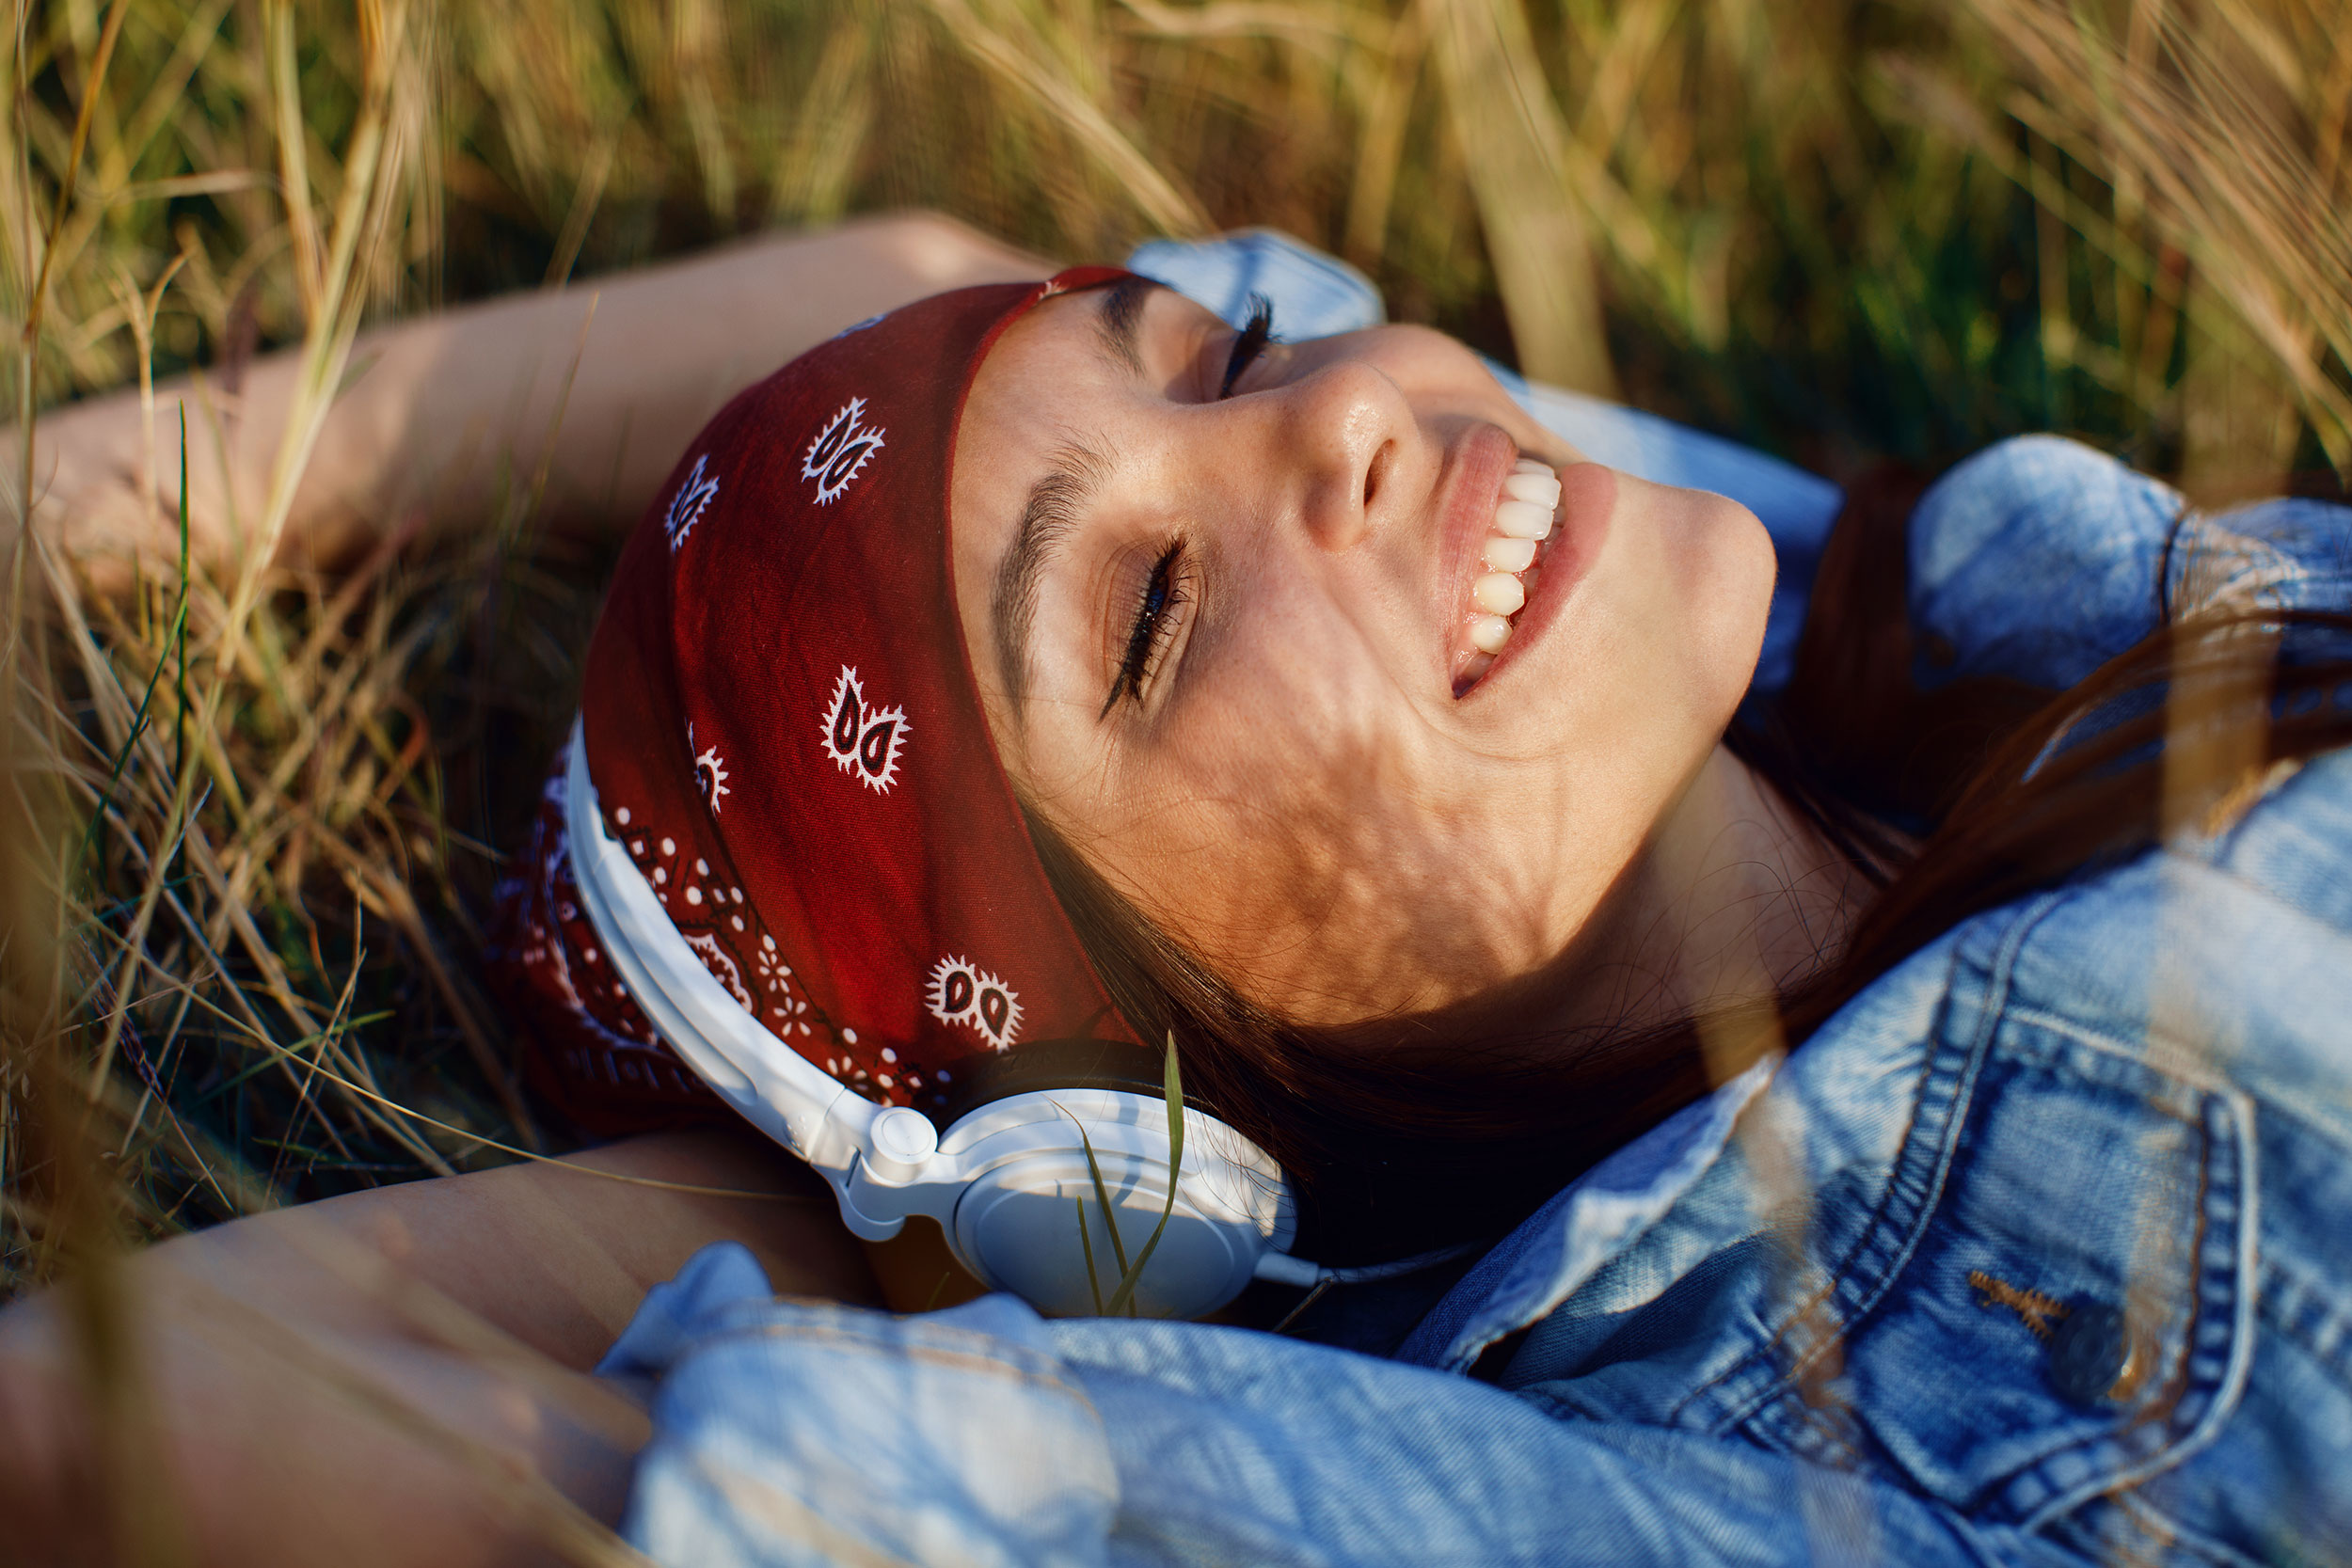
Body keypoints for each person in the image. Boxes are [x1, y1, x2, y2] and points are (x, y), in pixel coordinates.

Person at [5, 214, 2350, 1567]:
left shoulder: (1942, 615)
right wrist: (894, 1216)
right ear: (1127, 1145)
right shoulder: (1753, 1470)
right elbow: (110, 1399)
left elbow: (935, 272)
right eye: (1142, 618)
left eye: (1226, 356)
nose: (1338, 410)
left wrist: (53, 497)